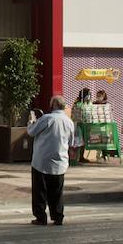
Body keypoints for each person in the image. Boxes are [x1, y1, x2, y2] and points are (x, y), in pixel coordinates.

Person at [25, 95, 74, 226]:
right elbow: (71, 141)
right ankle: (58, 216)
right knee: (57, 191)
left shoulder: (47, 119)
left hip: (42, 161)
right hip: (60, 161)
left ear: (53, 105)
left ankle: (41, 217)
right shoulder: (69, 122)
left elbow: (31, 132)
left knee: (40, 191)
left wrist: (31, 122)